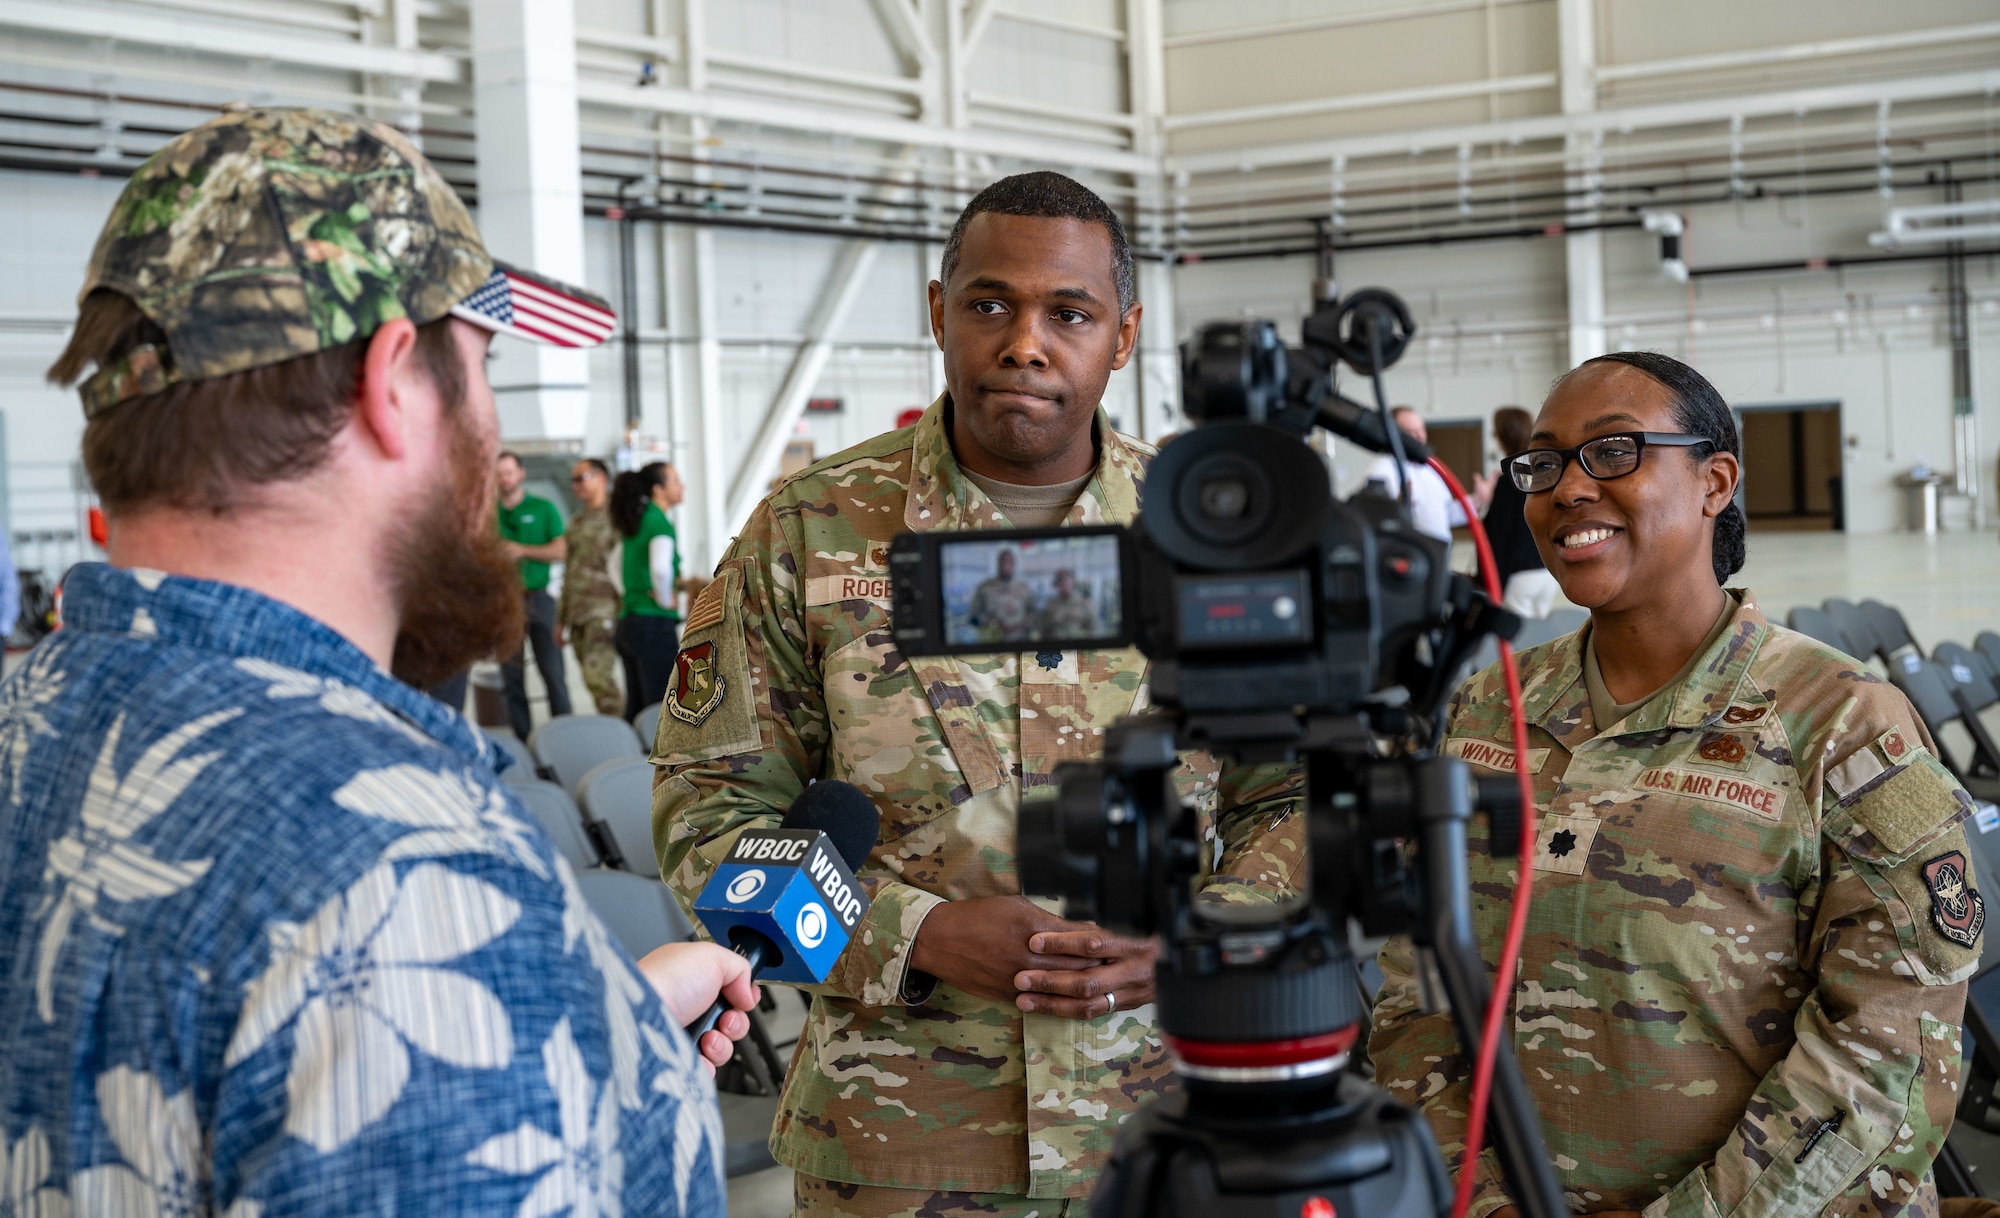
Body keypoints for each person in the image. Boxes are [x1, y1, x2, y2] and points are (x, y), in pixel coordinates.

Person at [13, 107, 756, 1216]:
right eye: (485, 367)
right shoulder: (411, 876)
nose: (496, 434)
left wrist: (592, 1044)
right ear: (392, 380)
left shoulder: (35, 730)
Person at [653, 170, 1303, 1217]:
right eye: (989, 304)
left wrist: (1196, 932)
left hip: (1165, 1130)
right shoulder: (810, 528)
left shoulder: (1209, 539)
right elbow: (709, 813)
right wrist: (912, 934)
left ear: (1123, 335)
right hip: (897, 1144)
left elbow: (1292, 797)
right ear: (935, 311)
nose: (1024, 343)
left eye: (1069, 313)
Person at [1370, 351, 1976, 1218]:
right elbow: (1416, 983)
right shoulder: (1483, 709)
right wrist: (1482, 1198)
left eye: (1614, 450)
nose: (1568, 488)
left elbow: (1891, 1040)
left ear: (1714, 481)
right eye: (1543, 462)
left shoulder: (1840, 721)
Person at [496, 450, 571, 739]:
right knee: (511, 678)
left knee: (553, 673)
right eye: (499, 474)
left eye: (509, 472)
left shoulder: (543, 508)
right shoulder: (486, 513)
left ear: (521, 474)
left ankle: (564, 736)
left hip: (539, 599)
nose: (504, 479)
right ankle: (523, 741)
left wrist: (522, 550)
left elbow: (562, 550)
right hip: (504, 604)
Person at [610, 461, 683, 718]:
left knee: (638, 707)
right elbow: (661, 569)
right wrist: (664, 599)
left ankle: (634, 758)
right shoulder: (658, 522)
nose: (681, 485)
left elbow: (613, 564)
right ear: (658, 489)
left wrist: (630, 593)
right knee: (661, 710)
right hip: (653, 625)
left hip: (628, 623)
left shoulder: (638, 519)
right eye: (675, 480)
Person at [1362, 406, 1495, 543]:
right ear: (1393, 434)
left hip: (1437, 557)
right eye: (1411, 432)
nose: (1420, 436)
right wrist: (1399, 506)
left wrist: (1478, 499)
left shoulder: (1430, 470)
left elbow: (1447, 515)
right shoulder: (1382, 471)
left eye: (1421, 430)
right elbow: (1372, 522)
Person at [1481, 405, 1561, 618]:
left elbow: (1500, 536)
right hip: (1548, 573)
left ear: (1503, 436)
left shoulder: (1508, 480)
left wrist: (1492, 584)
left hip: (1519, 577)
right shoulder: (1544, 472)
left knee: (1520, 645)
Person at [560, 457, 624, 717]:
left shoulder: (618, 518)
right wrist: (560, 618)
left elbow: (624, 567)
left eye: (581, 479)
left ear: (601, 478)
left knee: (598, 676)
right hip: (578, 612)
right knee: (590, 679)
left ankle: (622, 734)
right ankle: (617, 727)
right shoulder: (577, 522)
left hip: (604, 610)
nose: (576, 486)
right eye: (573, 480)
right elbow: (570, 570)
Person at [966, 545, 1035, 641]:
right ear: (998, 563)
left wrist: (1020, 626)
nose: (1006, 565)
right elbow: (974, 616)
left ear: (1014, 564)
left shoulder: (1024, 588)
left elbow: (1033, 614)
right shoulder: (985, 588)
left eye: (1009, 561)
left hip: (1020, 639)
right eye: (1003, 561)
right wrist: (992, 626)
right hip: (993, 641)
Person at [1036, 567, 1099, 638]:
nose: (1063, 584)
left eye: (1065, 580)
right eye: (1059, 581)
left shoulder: (1085, 605)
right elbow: (1044, 631)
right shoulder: (1050, 606)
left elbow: (1093, 630)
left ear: (1072, 581)